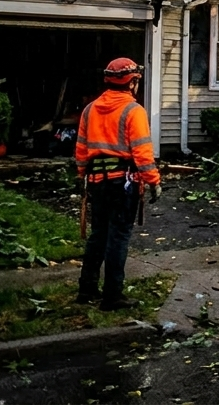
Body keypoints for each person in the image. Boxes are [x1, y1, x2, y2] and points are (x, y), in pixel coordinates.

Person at [75, 58, 161, 311]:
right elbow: (143, 154)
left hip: (97, 183)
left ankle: (86, 290)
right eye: (137, 81)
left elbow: (81, 150)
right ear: (132, 82)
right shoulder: (133, 111)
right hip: (123, 184)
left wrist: (83, 177)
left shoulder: (90, 109)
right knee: (118, 237)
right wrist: (153, 181)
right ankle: (112, 296)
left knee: (98, 235)